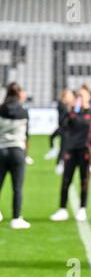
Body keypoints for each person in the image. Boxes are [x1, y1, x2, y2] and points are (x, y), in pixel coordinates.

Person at [50, 84, 91, 222]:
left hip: (85, 151)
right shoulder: (71, 112)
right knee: (66, 179)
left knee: (84, 180)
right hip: (71, 150)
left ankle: (82, 208)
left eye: (82, 96)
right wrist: (71, 111)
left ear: (88, 97)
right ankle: (62, 209)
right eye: (78, 96)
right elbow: (62, 125)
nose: (80, 98)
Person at [0, 82, 31, 229]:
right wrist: (27, 153)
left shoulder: (1, 109)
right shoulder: (24, 111)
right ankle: (16, 218)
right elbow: (26, 135)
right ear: (19, 94)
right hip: (17, 150)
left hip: (1, 149)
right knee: (17, 187)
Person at [44, 89, 75, 175]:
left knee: (64, 146)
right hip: (63, 128)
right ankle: (59, 162)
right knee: (61, 145)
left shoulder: (71, 105)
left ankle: (60, 161)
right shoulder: (62, 105)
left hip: (68, 129)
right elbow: (64, 116)